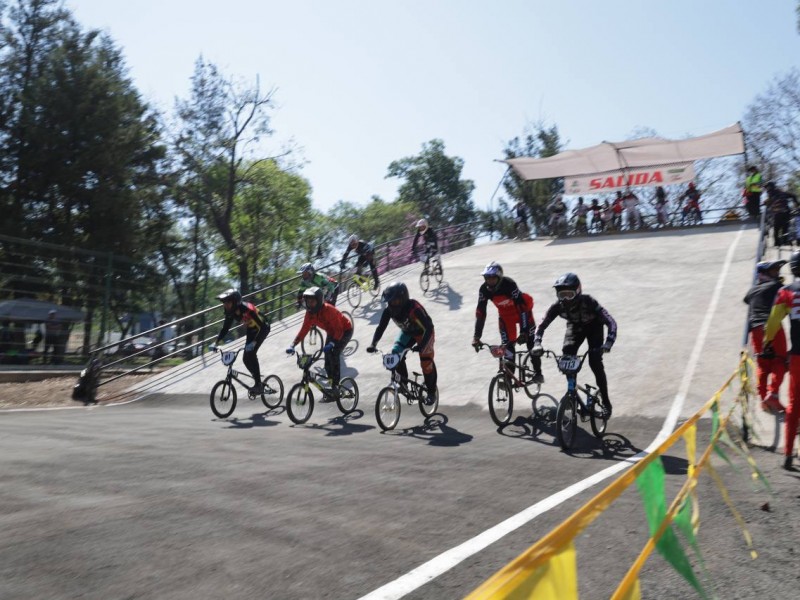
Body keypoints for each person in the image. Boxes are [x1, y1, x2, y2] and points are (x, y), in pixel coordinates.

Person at [531, 273, 617, 418]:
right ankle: (572, 393)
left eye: (568, 295)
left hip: (594, 327)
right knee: (567, 356)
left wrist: (608, 342)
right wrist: (537, 343)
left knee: (595, 362)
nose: (565, 299)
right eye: (561, 295)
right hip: (575, 328)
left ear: (578, 292)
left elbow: (611, 322)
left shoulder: (589, 301)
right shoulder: (557, 307)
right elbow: (541, 325)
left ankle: (607, 403)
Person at [471, 262, 544, 383]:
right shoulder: (484, 289)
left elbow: (522, 308)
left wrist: (524, 332)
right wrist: (476, 336)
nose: (489, 281)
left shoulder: (509, 284)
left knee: (530, 343)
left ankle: (538, 373)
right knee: (508, 346)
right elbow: (481, 313)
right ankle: (508, 380)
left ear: (499, 277)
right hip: (506, 316)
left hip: (522, 311)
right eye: (487, 278)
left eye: (492, 278)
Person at [366, 282, 438, 400]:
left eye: (394, 301)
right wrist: (373, 344)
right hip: (407, 333)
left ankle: (431, 392)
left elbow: (428, 327)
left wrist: (422, 346)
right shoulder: (388, 310)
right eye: (389, 302)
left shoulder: (414, 308)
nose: (391, 305)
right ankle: (403, 384)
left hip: (424, 333)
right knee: (395, 354)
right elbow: (381, 328)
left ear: (402, 299)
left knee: (426, 362)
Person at [762, 251, 800, 470]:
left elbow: (773, 322)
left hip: (797, 357)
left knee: (794, 404)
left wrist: (768, 341)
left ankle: (787, 454)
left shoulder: (786, 292)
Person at [286, 287, 353, 399]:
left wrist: (332, 344)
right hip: (332, 333)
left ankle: (336, 385)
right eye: (307, 301)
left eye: (312, 301)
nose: (309, 304)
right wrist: (293, 344)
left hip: (344, 330)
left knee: (334, 353)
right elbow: (304, 330)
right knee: (327, 358)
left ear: (319, 300)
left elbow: (339, 330)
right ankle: (331, 386)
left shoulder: (329, 310)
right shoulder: (309, 314)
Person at [744, 260, 788, 414]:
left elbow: (747, 300)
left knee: (763, 363)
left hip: (755, 329)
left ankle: (764, 400)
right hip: (772, 326)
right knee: (780, 361)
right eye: (773, 271)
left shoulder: (753, 290)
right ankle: (773, 395)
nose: (777, 273)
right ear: (762, 273)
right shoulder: (777, 287)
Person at [210, 289, 271, 394]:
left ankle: (258, 385)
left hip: (262, 328)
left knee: (251, 354)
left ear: (235, 302)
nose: (226, 306)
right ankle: (258, 380)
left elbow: (263, 327)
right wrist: (216, 342)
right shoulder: (231, 312)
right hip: (252, 330)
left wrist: (254, 343)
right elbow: (225, 329)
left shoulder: (247, 309)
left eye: (228, 303)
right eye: (224, 303)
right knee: (245, 359)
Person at [764, 181, 799, 247]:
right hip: (785, 212)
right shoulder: (782, 192)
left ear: (771, 187)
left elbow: (768, 202)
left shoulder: (772, 193)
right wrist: (796, 203)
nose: (767, 190)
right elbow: (793, 196)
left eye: (767, 188)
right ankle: (784, 242)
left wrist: (766, 203)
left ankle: (778, 243)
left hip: (779, 213)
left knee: (777, 229)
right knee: (784, 228)